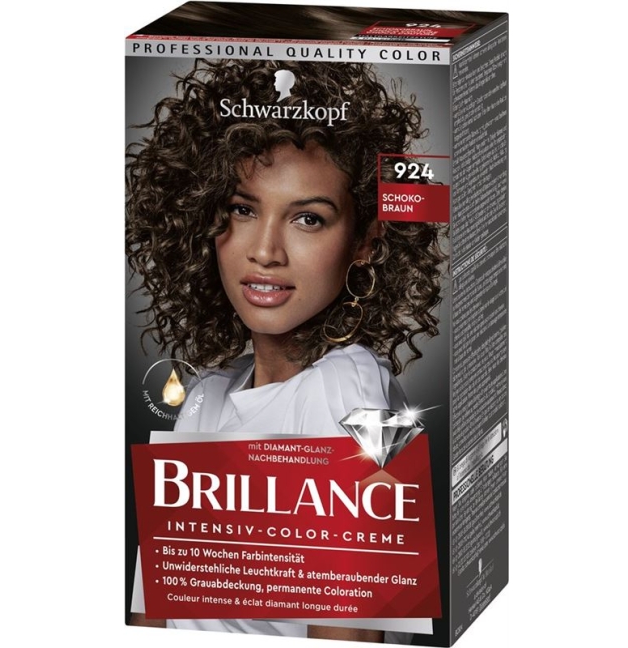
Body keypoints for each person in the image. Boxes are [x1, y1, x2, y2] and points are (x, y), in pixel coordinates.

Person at [126, 59, 445, 643]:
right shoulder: (206, 396)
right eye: (243, 209)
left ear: (365, 242)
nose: (265, 251)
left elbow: (354, 631)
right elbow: (154, 616)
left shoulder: (353, 387)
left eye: (308, 219)